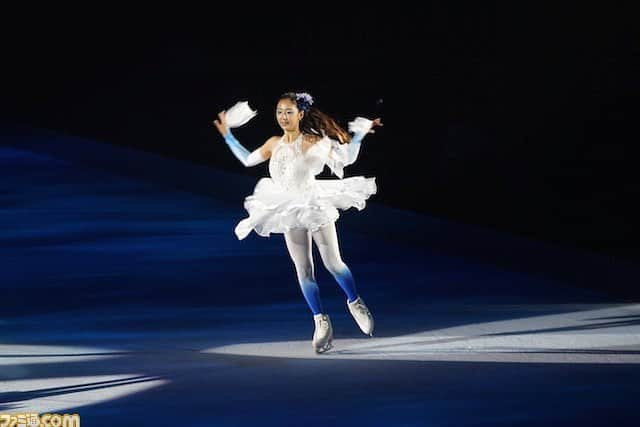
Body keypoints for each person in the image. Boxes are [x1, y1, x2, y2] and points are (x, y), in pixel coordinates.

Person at [213, 91, 382, 354]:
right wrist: (228, 135)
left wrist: (360, 133)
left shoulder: (314, 142)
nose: (283, 116)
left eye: (289, 111)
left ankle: (354, 301)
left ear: (301, 114)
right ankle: (320, 320)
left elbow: (346, 158)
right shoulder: (273, 143)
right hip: (288, 206)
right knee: (303, 270)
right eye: (280, 111)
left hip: (313, 203)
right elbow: (248, 159)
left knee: (333, 264)